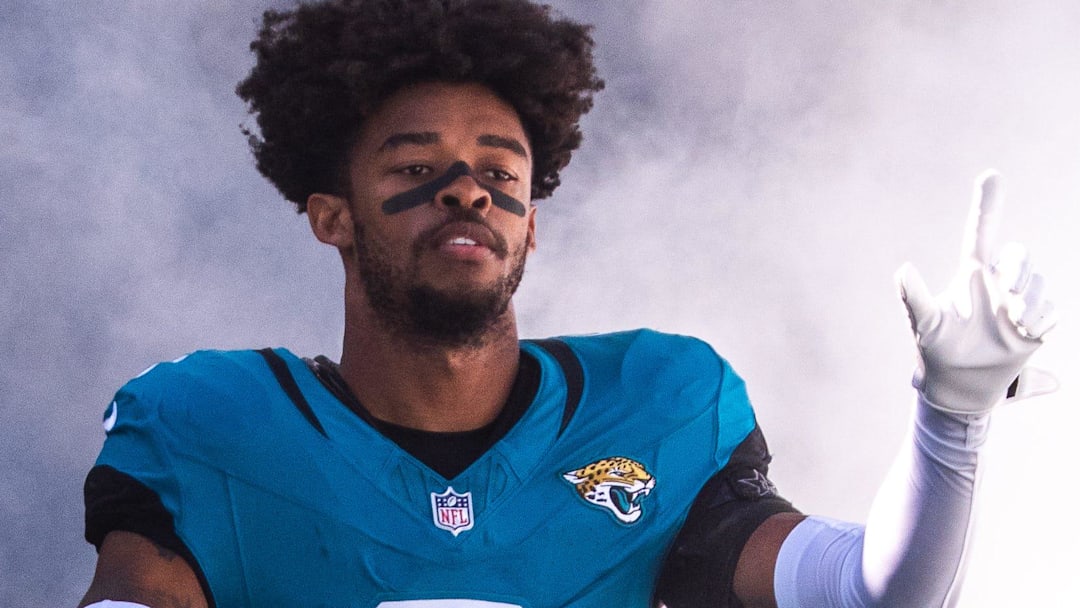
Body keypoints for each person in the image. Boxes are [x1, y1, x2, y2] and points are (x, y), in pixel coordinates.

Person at [77, 1, 1057, 607]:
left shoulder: (657, 402)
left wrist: (952, 417)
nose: (467, 192)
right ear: (331, 215)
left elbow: (869, 589)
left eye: (500, 173)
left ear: (531, 225)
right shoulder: (210, 421)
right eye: (417, 168)